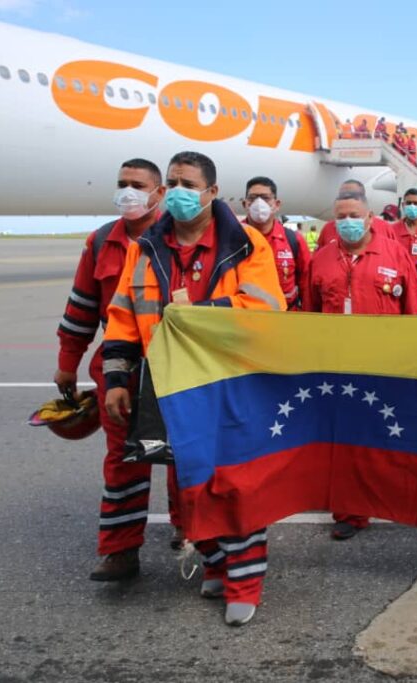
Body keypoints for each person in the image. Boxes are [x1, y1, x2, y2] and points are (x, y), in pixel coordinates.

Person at [102, 151, 286, 626]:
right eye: (174, 183)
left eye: (189, 184)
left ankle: (244, 582)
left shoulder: (245, 244)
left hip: (230, 381)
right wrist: (117, 378)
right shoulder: (145, 248)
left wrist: (195, 316)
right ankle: (216, 564)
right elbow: (122, 316)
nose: (180, 192)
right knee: (189, 482)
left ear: (211, 192)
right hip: (168, 383)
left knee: (235, 482)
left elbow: (267, 308)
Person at [54, 158, 183, 582]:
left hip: (176, 367)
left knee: (183, 455)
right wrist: (67, 364)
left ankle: (189, 531)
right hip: (119, 370)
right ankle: (120, 550)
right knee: (122, 460)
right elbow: (81, 307)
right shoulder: (100, 242)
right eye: (122, 183)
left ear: (159, 193)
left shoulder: (177, 237)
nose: (128, 192)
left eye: (138, 185)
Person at [304, 191, 417, 539]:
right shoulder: (321, 260)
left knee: (388, 436)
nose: (348, 222)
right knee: (345, 442)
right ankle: (351, 512)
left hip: (386, 366)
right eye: (341, 216)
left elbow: (415, 312)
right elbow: (309, 317)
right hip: (339, 368)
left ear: (370, 218)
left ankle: (393, 495)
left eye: (354, 215)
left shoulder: (395, 254)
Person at [242, 176, 311, 310]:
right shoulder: (231, 238)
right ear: (245, 204)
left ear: (277, 204)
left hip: (285, 317)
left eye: (265, 198)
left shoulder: (293, 240)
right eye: (252, 198)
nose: (259, 203)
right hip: (245, 316)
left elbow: (306, 285)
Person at [315, 179, 396, 250]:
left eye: (353, 195)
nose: (348, 198)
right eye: (343, 195)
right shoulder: (328, 229)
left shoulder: (384, 228)